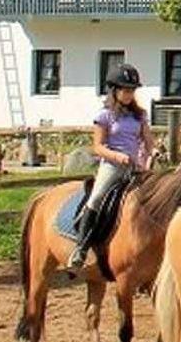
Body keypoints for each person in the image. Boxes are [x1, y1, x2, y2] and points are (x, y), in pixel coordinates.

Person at [65, 65, 155, 273]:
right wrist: (117, 156)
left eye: (132, 90)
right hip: (112, 166)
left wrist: (152, 152)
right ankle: (81, 248)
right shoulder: (105, 115)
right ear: (114, 90)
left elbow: (147, 140)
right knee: (96, 198)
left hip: (135, 166)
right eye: (125, 90)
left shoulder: (140, 115)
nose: (129, 94)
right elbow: (97, 147)